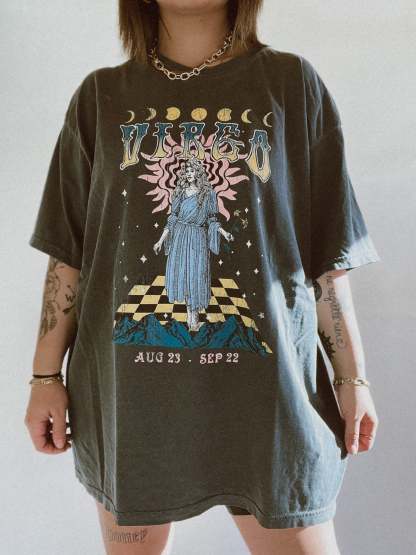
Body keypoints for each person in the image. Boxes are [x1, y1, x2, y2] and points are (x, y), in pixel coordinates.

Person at [24, 1, 381, 554]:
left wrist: (352, 378)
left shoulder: (291, 84)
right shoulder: (101, 97)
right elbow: (68, 252)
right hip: (131, 401)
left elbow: (328, 254)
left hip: (270, 400)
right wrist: (44, 376)